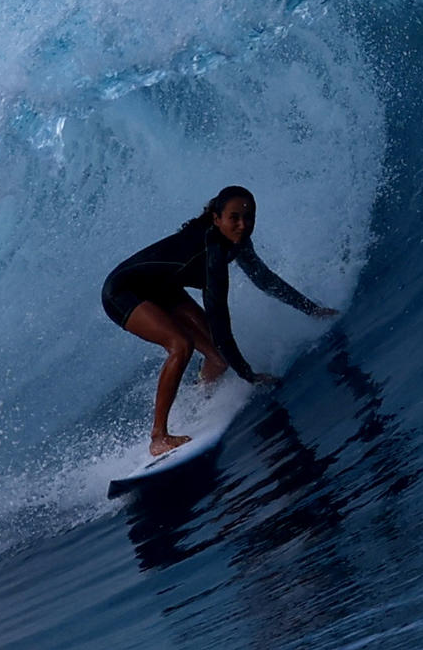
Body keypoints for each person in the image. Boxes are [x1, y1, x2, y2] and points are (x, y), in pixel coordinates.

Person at [101, 185, 338, 458]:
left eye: (249, 218)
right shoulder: (211, 255)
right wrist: (249, 375)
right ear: (216, 219)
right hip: (122, 290)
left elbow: (265, 280)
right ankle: (159, 437)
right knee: (181, 345)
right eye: (234, 218)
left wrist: (311, 309)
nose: (242, 225)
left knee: (218, 359)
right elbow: (221, 325)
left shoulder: (237, 243)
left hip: (162, 288)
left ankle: (198, 404)